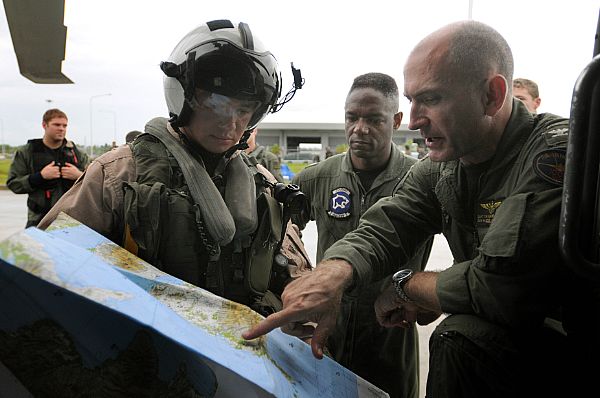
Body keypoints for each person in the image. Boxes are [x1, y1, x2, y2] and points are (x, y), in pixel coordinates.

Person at [244, 20, 576, 397]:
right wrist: (331, 274)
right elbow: (389, 224)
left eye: (431, 99)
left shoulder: (556, 157)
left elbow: (501, 286)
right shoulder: (441, 168)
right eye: (412, 101)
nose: (415, 120)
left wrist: (408, 286)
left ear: (492, 95)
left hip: (555, 361)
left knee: (459, 336)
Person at [39, 19, 310, 316]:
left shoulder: (263, 184)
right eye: (217, 105)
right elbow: (45, 264)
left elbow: (298, 276)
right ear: (184, 97)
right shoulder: (119, 174)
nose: (231, 123)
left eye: (244, 110)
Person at [290, 72, 432, 398]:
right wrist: (297, 281)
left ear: (396, 120)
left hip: (392, 337)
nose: (359, 128)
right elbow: (279, 235)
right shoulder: (316, 178)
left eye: (373, 119)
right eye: (352, 117)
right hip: (329, 333)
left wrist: (426, 297)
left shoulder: (423, 181)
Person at [7, 108, 89, 227]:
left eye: (64, 125)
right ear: (44, 125)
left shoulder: (77, 154)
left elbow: (94, 185)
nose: (61, 128)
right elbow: (13, 183)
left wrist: (79, 176)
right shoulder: (27, 152)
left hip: (72, 220)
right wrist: (39, 177)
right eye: (56, 124)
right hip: (39, 221)